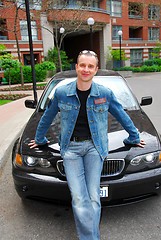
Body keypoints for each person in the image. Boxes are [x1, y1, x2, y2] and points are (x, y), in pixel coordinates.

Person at [29, 50, 145, 240]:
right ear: (76, 67)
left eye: (90, 66)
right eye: (82, 65)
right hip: (71, 151)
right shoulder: (61, 93)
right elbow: (47, 117)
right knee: (79, 198)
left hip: (94, 148)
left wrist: (134, 136)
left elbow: (121, 115)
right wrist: (39, 139)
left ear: (96, 70)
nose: (86, 69)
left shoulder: (105, 93)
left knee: (93, 197)